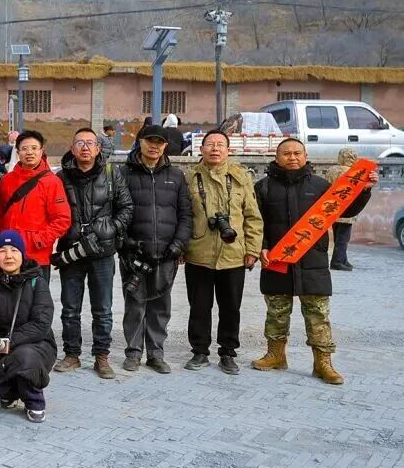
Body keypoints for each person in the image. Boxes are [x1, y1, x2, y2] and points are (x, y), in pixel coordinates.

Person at [251, 139, 375, 385]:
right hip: (277, 260)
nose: (292, 157)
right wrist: (261, 245)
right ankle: (276, 355)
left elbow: (346, 210)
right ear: (277, 157)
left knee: (318, 315)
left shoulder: (320, 186)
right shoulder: (263, 187)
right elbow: (255, 221)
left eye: (297, 153)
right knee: (276, 312)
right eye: (286, 153)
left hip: (313, 261)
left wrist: (364, 191)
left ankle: (323, 363)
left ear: (305, 156)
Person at [53, 128, 133, 379]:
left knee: (103, 309)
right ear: (72, 148)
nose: (85, 147)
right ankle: (72, 354)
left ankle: (102, 356)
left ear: (98, 148)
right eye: (80, 143)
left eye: (90, 143)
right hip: (71, 250)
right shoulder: (61, 178)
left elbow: (126, 207)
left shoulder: (112, 174)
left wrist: (111, 228)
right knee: (70, 308)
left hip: (102, 251)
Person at [183, 130, 263, 375]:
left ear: (228, 150)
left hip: (233, 253)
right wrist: (182, 247)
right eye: (210, 144)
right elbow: (182, 216)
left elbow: (252, 217)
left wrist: (253, 249)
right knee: (199, 307)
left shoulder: (241, 178)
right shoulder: (189, 178)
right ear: (201, 149)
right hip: (199, 253)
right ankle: (199, 351)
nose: (215, 149)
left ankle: (228, 352)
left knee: (231, 307)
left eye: (220, 145)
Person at [118, 124, 192, 374]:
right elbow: (115, 212)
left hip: (167, 253)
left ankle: (156, 353)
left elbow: (185, 214)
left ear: (165, 146)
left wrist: (179, 244)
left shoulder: (176, 176)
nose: (154, 146)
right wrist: (126, 243)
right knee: (135, 304)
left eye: (159, 142)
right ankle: (133, 352)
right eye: (149, 141)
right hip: (135, 254)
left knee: (161, 306)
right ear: (140, 142)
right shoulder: (123, 174)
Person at [0, 231, 56, 424]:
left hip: (38, 345)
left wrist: (9, 343)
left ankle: (34, 400)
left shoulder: (37, 282)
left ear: (22, 255)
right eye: (2, 251)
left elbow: (41, 324)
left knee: (24, 357)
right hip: (2, 345)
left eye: (14, 250)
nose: (8, 256)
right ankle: (11, 392)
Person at [0, 129, 71, 272]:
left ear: (41, 151)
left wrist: (39, 240)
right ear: (18, 152)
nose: (29, 153)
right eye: (24, 149)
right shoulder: (7, 180)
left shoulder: (52, 182)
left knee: (36, 287)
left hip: (37, 257)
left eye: (34, 148)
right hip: (8, 255)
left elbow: (62, 219)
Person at [327, 148, 360, 272]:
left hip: (333, 206)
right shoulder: (355, 172)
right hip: (348, 208)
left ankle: (343, 259)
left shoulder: (332, 170)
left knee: (338, 235)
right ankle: (337, 261)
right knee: (343, 237)